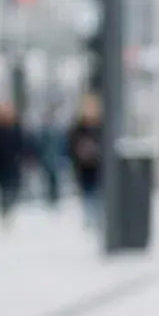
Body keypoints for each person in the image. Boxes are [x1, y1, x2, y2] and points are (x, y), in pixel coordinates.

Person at [68, 94, 103, 228]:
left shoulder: (102, 126)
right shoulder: (78, 127)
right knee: (88, 194)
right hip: (83, 167)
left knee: (98, 194)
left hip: (98, 167)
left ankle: (96, 219)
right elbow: (71, 146)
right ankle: (89, 220)